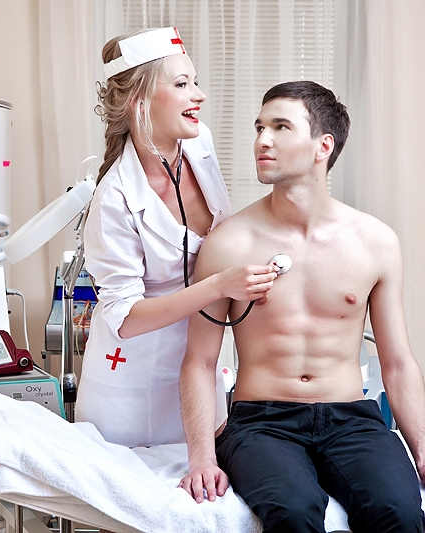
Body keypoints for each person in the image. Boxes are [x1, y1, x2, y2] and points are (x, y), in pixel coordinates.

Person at [179, 81, 425, 532]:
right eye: (259, 127)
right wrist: (202, 458)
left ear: (324, 146)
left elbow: (397, 362)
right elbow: (199, 361)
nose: (262, 140)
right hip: (261, 422)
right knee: (294, 510)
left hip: (352, 420)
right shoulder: (229, 243)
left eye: (281, 127)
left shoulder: (374, 242)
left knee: (396, 511)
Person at [75, 27, 279, 448]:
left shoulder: (200, 143)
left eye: (195, 82)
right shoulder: (115, 199)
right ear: (140, 101)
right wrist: (220, 286)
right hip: (135, 388)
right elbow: (126, 319)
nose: (199, 95)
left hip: (201, 368)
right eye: (182, 84)